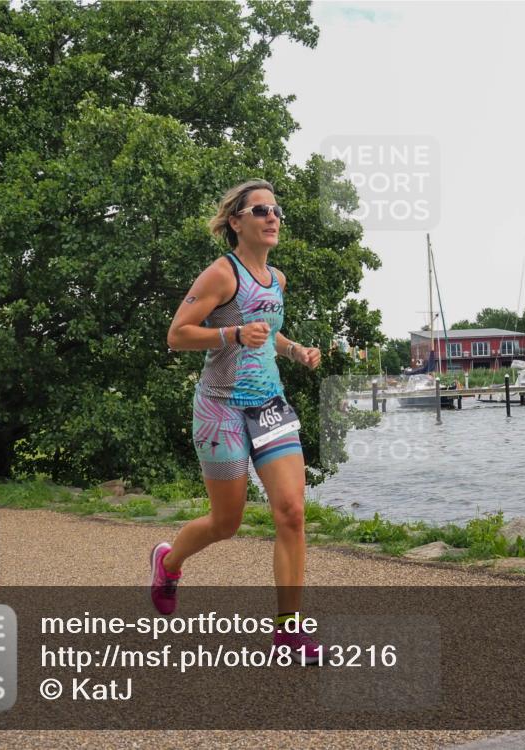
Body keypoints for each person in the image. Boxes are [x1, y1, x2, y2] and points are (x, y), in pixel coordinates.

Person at [156, 179, 323, 663]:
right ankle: (169, 563)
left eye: (277, 210)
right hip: (220, 409)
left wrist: (294, 350)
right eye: (261, 210)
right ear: (236, 222)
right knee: (225, 523)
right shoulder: (221, 274)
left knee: (291, 512)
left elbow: (268, 333)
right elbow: (177, 335)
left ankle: (288, 632)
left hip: (269, 405)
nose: (273, 217)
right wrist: (230, 334)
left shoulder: (277, 279)